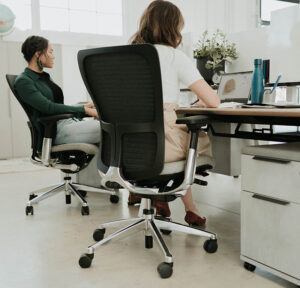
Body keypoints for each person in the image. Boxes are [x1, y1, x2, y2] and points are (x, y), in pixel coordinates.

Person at [128, 0, 220, 226]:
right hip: (162, 145)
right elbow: (214, 101)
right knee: (191, 142)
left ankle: (181, 206)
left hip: (126, 146)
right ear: (173, 28)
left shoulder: (127, 56)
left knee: (179, 140)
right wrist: (200, 104)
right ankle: (183, 206)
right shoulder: (174, 56)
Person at [14, 36, 100, 151]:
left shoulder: (44, 77)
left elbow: (57, 106)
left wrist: (84, 108)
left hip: (68, 123)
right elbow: (48, 107)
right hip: (55, 131)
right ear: (38, 54)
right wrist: (84, 110)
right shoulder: (24, 81)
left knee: (109, 124)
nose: (53, 56)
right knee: (109, 129)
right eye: (50, 52)